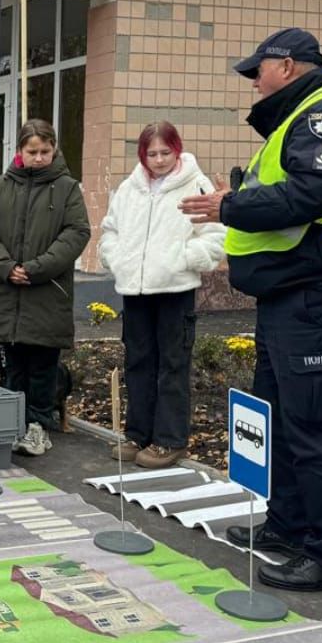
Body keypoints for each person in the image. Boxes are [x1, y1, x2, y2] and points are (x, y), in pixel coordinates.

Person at [181, 28, 322, 594]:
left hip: (321, 293)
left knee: (316, 426)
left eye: (258, 71)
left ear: (287, 67)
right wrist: (238, 195)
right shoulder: (299, 120)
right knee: (285, 420)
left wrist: (231, 203)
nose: (253, 82)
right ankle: (289, 528)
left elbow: (315, 192)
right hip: (290, 294)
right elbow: (291, 190)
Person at [99, 121, 226, 470]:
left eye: (165, 152)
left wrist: (182, 261)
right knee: (138, 362)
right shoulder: (129, 188)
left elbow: (215, 236)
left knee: (172, 364)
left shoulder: (196, 184)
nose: (158, 160)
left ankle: (169, 440)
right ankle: (138, 433)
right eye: (151, 153)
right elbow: (110, 230)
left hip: (175, 289)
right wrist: (117, 260)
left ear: (177, 149)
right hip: (135, 290)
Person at [0, 119, 91, 457]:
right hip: (6, 291)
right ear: (19, 152)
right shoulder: (0, 188)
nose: (39, 158)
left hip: (46, 293)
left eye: (45, 151)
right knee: (12, 367)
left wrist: (36, 269)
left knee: (42, 366)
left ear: (54, 150)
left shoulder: (67, 188)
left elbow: (76, 233)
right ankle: (13, 424)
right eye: (32, 151)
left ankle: (39, 425)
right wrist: (6, 267)